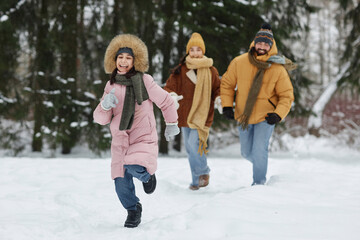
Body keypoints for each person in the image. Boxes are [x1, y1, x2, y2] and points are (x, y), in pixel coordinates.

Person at [93, 34, 180, 228]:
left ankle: (148, 176)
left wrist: (172, 123)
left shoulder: (145, 81)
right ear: (114, 60)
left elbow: (165, 101)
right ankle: (133, 210)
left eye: (128, 58)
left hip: (142, 136)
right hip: (120, 140)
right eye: (120, 57)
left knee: (133, 164)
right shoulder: (111, 85)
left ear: (135, 61)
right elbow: (100, 119)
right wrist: (105, 105)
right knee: (120, 183)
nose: (123, 61)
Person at [220, 23, 295, 186]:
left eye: (266, 44)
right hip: (243, 114)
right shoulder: (239, 62)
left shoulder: (277, 68)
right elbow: (226, 84)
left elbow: (286, 95)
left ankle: (259, 183)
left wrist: (278, 114)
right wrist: (227, 106)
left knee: (259, 150)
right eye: (259, 43)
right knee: (246, 152)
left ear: (271, 45)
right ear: (254, 43)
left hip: (265, 117)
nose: (262, 46)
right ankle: (261, 165)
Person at [164, 32, 221, 190]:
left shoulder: (211, 70)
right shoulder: (180, 70)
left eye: (198, 49)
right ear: (188, 51)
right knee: (190, 149)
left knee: (194, 143)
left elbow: (218, 89)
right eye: (192, 50)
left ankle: (203, 172)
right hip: (184, 114)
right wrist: (172, 95)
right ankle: (196, 182)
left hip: (202, 115)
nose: (195, 53)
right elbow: (169, 87)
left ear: (203, 51)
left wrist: (219, 99)